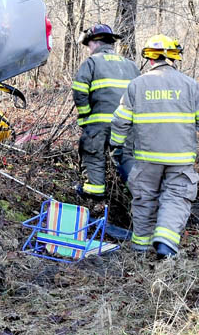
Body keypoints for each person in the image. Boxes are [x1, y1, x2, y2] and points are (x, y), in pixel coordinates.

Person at [110, 34, 199, 258]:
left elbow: (120, 121)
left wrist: (116, 147)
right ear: (174, 58)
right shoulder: (191, 86)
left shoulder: (136, 85)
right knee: (176, 197)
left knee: (144, 199)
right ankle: (165, 243)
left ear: (149, 59)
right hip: (180, 159)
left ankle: (140, 250)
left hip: (146, 158)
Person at [72, 24, 139, 197]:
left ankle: (94, 190)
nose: (88, 50)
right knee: (126, 157)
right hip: (127, 124)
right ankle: (140, 195)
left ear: (95, 42)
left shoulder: (92, 62)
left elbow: (79, 90)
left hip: (99, 122)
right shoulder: (131, 65)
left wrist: (86, 115)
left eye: (89, 45)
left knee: (93, 152)